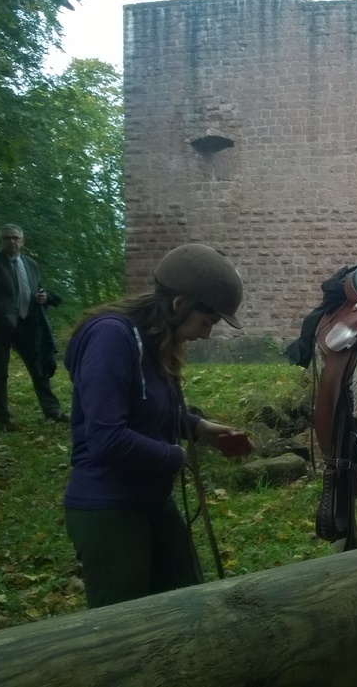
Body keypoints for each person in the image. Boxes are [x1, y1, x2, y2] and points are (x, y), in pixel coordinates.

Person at [63, 243, 248, 608]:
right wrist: (174, 456)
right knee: (125, 623)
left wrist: (197, 427)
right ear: (179, 305)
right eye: (206, 322)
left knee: (188, 601)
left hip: (151, 498)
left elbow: (145, 407)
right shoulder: (112, 337)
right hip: (108, 505)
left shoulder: (152, 340)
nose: (206, 335)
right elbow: (106, 437)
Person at [0, 224, 67, 429]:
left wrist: (43, 297)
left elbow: (37, 287)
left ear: (22, 241)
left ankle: (53, 411)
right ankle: (2, 417)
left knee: (38, 368)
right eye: (7, 238)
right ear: (1, 241)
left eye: (15, 238)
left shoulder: (30, 264)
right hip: (1, 326)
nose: (11, 241)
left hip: (28, 324)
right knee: (0, 371)